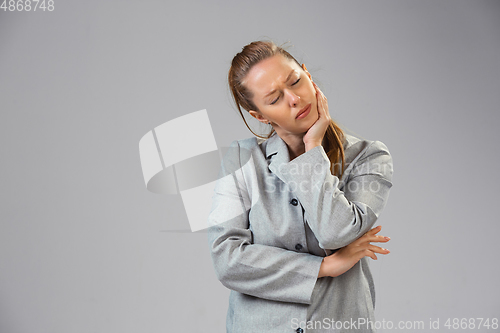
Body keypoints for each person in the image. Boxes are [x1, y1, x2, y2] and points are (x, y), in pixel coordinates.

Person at [207, 40, 394, 333]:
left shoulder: (368, 157)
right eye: (274, 99)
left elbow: (335, 232)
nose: (294, 98)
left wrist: (313, 147)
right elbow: (228, 261)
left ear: (308, 75)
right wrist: (325, 267)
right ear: (260, 115)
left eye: (296, 81)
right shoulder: (242, 160)